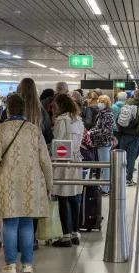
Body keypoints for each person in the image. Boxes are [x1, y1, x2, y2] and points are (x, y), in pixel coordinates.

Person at [0, 94, 52, 273]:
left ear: (9, 110)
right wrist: (49, 182)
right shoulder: (33, 129)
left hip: (8, 182)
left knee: (10, 223)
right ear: (24, 109)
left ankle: (10, 264)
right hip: (31, 181)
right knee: (27, 223)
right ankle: (27, 263)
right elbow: (45, 158)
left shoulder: (1, 130)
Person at [52, 94, 84, 247]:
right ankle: (75, 233)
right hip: (77, 159)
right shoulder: (78, 120)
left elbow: (57, 143)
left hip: (63, 160)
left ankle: (65, 236)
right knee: (73, 196)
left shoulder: (61, 120)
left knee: (63, 196)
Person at [117, 89, 139, 186]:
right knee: (131, 158)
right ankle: (129, 178)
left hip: (123, 135)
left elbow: (118, 119)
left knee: (121, 157)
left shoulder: (125, 105)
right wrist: (138, 133)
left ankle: (118, 177)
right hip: (134, 137)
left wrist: (122, 130)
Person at [91, 95, 115, 195]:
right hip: (100, 143)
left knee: (105, 166)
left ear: (106, 104)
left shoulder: (107, 115)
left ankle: (106, 188)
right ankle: (105, 186)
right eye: (99, 101)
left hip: (104, 143)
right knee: (103, 165)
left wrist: (92, 132)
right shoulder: (101, 114)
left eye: (102, 102)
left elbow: (106, 131)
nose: (99, 103)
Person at [17, 78, 53, 144]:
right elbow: (48, 138)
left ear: (19, 90)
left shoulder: (12, 111)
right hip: (36, 150)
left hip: (16, 150)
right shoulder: (42, 113)